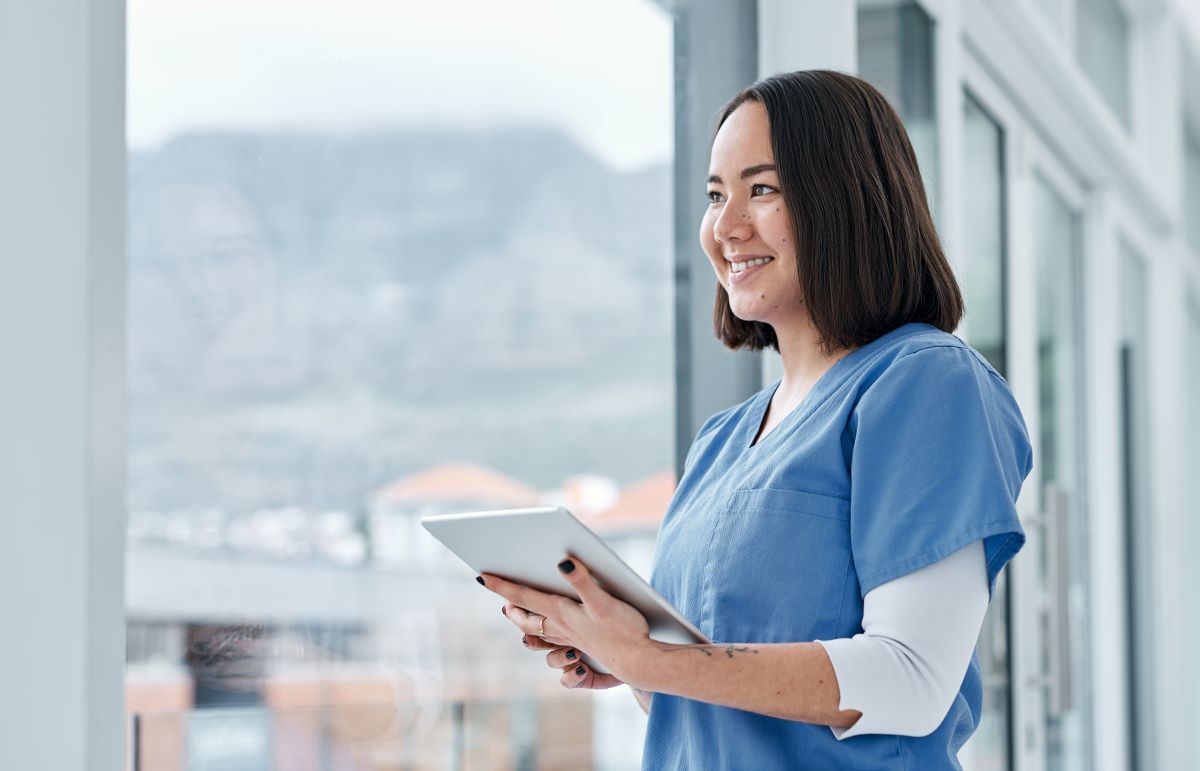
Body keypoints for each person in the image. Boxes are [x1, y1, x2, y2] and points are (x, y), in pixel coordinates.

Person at [478, 69, 1032, 770]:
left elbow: (912, 679)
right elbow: (713, 704)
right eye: (715, 195)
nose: (725, 227)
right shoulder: (721, 441)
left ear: (848, 199)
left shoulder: (925, 382)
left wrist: (654, 656)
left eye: (761, 189)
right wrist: (629, 658)